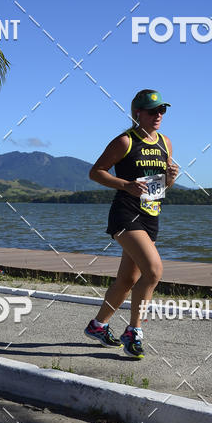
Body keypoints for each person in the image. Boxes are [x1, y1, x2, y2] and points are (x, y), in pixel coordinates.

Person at [84, 90, 179, 358]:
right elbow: (95, 173)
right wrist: (126, 184)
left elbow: (161, 186)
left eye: (162, 110)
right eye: (153, 111)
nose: (158, 115)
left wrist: (171, 177)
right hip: (125, 214)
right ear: (138, 113)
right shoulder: (125, 141)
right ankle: (134, 332)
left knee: (128, 279)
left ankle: (98, 325)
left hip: (151, 215)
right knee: (154, 271)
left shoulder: (166, 143)